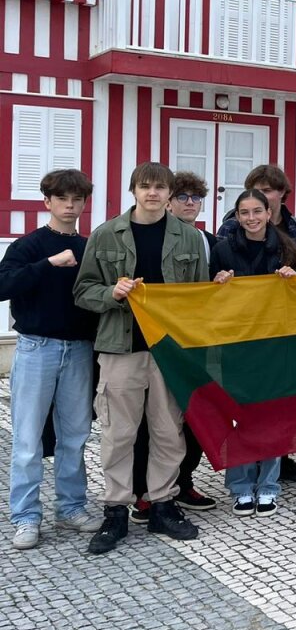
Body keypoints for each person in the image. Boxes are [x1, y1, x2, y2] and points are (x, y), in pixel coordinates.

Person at [73, 163, 204, 555]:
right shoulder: (106, 234)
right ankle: (115, 510)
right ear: (133, 190)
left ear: (169, 194)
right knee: (118, 433)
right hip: (120, 347)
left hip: (169, 350)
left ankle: (162, 503)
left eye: (160, 187)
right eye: (145, 186)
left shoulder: (188, 237)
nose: (152, 193)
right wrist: (111, 293)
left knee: (168, 430)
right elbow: (83, 290)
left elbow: (198, 296)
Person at [1, 169, 100, 550]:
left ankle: (71, 508)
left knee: (74, 436)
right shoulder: (28, 246)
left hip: (79, 350)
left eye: (77, 199)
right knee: (27, 439)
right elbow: (3, 285)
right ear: (47, 201)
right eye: (62, 198)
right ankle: (26, 517)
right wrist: (48, 264)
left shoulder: (91, 247)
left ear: (84, 203)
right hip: (36, 348)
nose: (70, 205)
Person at [127, 173, 220, 521]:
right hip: (146, 343)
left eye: (196, 197)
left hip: (193, 345)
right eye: (183, 196)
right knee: (145, 423)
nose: (190, 202)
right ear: (168, 201)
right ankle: (142, 492)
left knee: (190, 416)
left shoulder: (209, 241)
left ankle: (182, 481)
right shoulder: (145, 236)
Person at [210, 189, 296, 517]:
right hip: (237, 344)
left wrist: (293, 279)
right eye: (244, 212)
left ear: (268, 213)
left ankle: (268, 486)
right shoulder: (222, 250)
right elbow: (210, 299)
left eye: (257, 211)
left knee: (272, 417)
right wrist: (217, 281)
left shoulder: (287, 248)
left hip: (276, 344)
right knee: (239, 416)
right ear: (237, 217)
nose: (251, 218)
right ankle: (240, 486)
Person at [216, 164, 296, 250]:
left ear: (282, 192)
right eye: (255, 191)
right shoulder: (230, 227)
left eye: (266, 190)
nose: (259, 196)